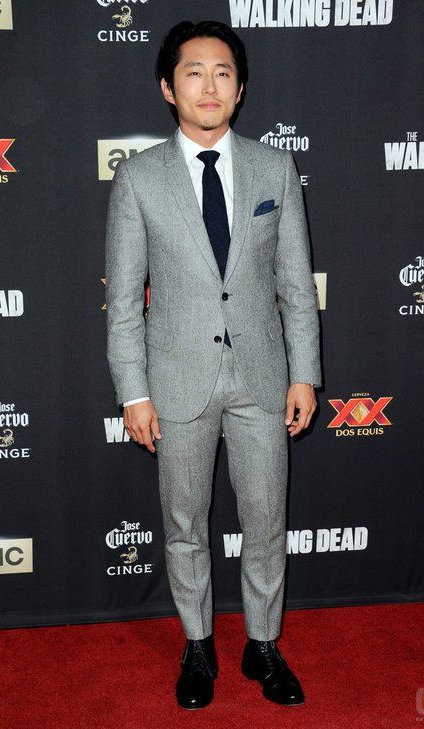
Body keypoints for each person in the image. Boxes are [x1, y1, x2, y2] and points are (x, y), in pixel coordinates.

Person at [106, 20, 321, 710]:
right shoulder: (138, 177)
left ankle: (263, 644)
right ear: (168, 88)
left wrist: (304, 374)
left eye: (223, 72)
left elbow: (295, 285)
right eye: (193, 72)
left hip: (262, 378)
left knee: (266, 520)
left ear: (240, 88)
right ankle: (197, 645)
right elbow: (123, 302)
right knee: (184, 524)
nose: (209, 85)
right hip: (176, 380)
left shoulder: (274, 168)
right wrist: (133, 392)